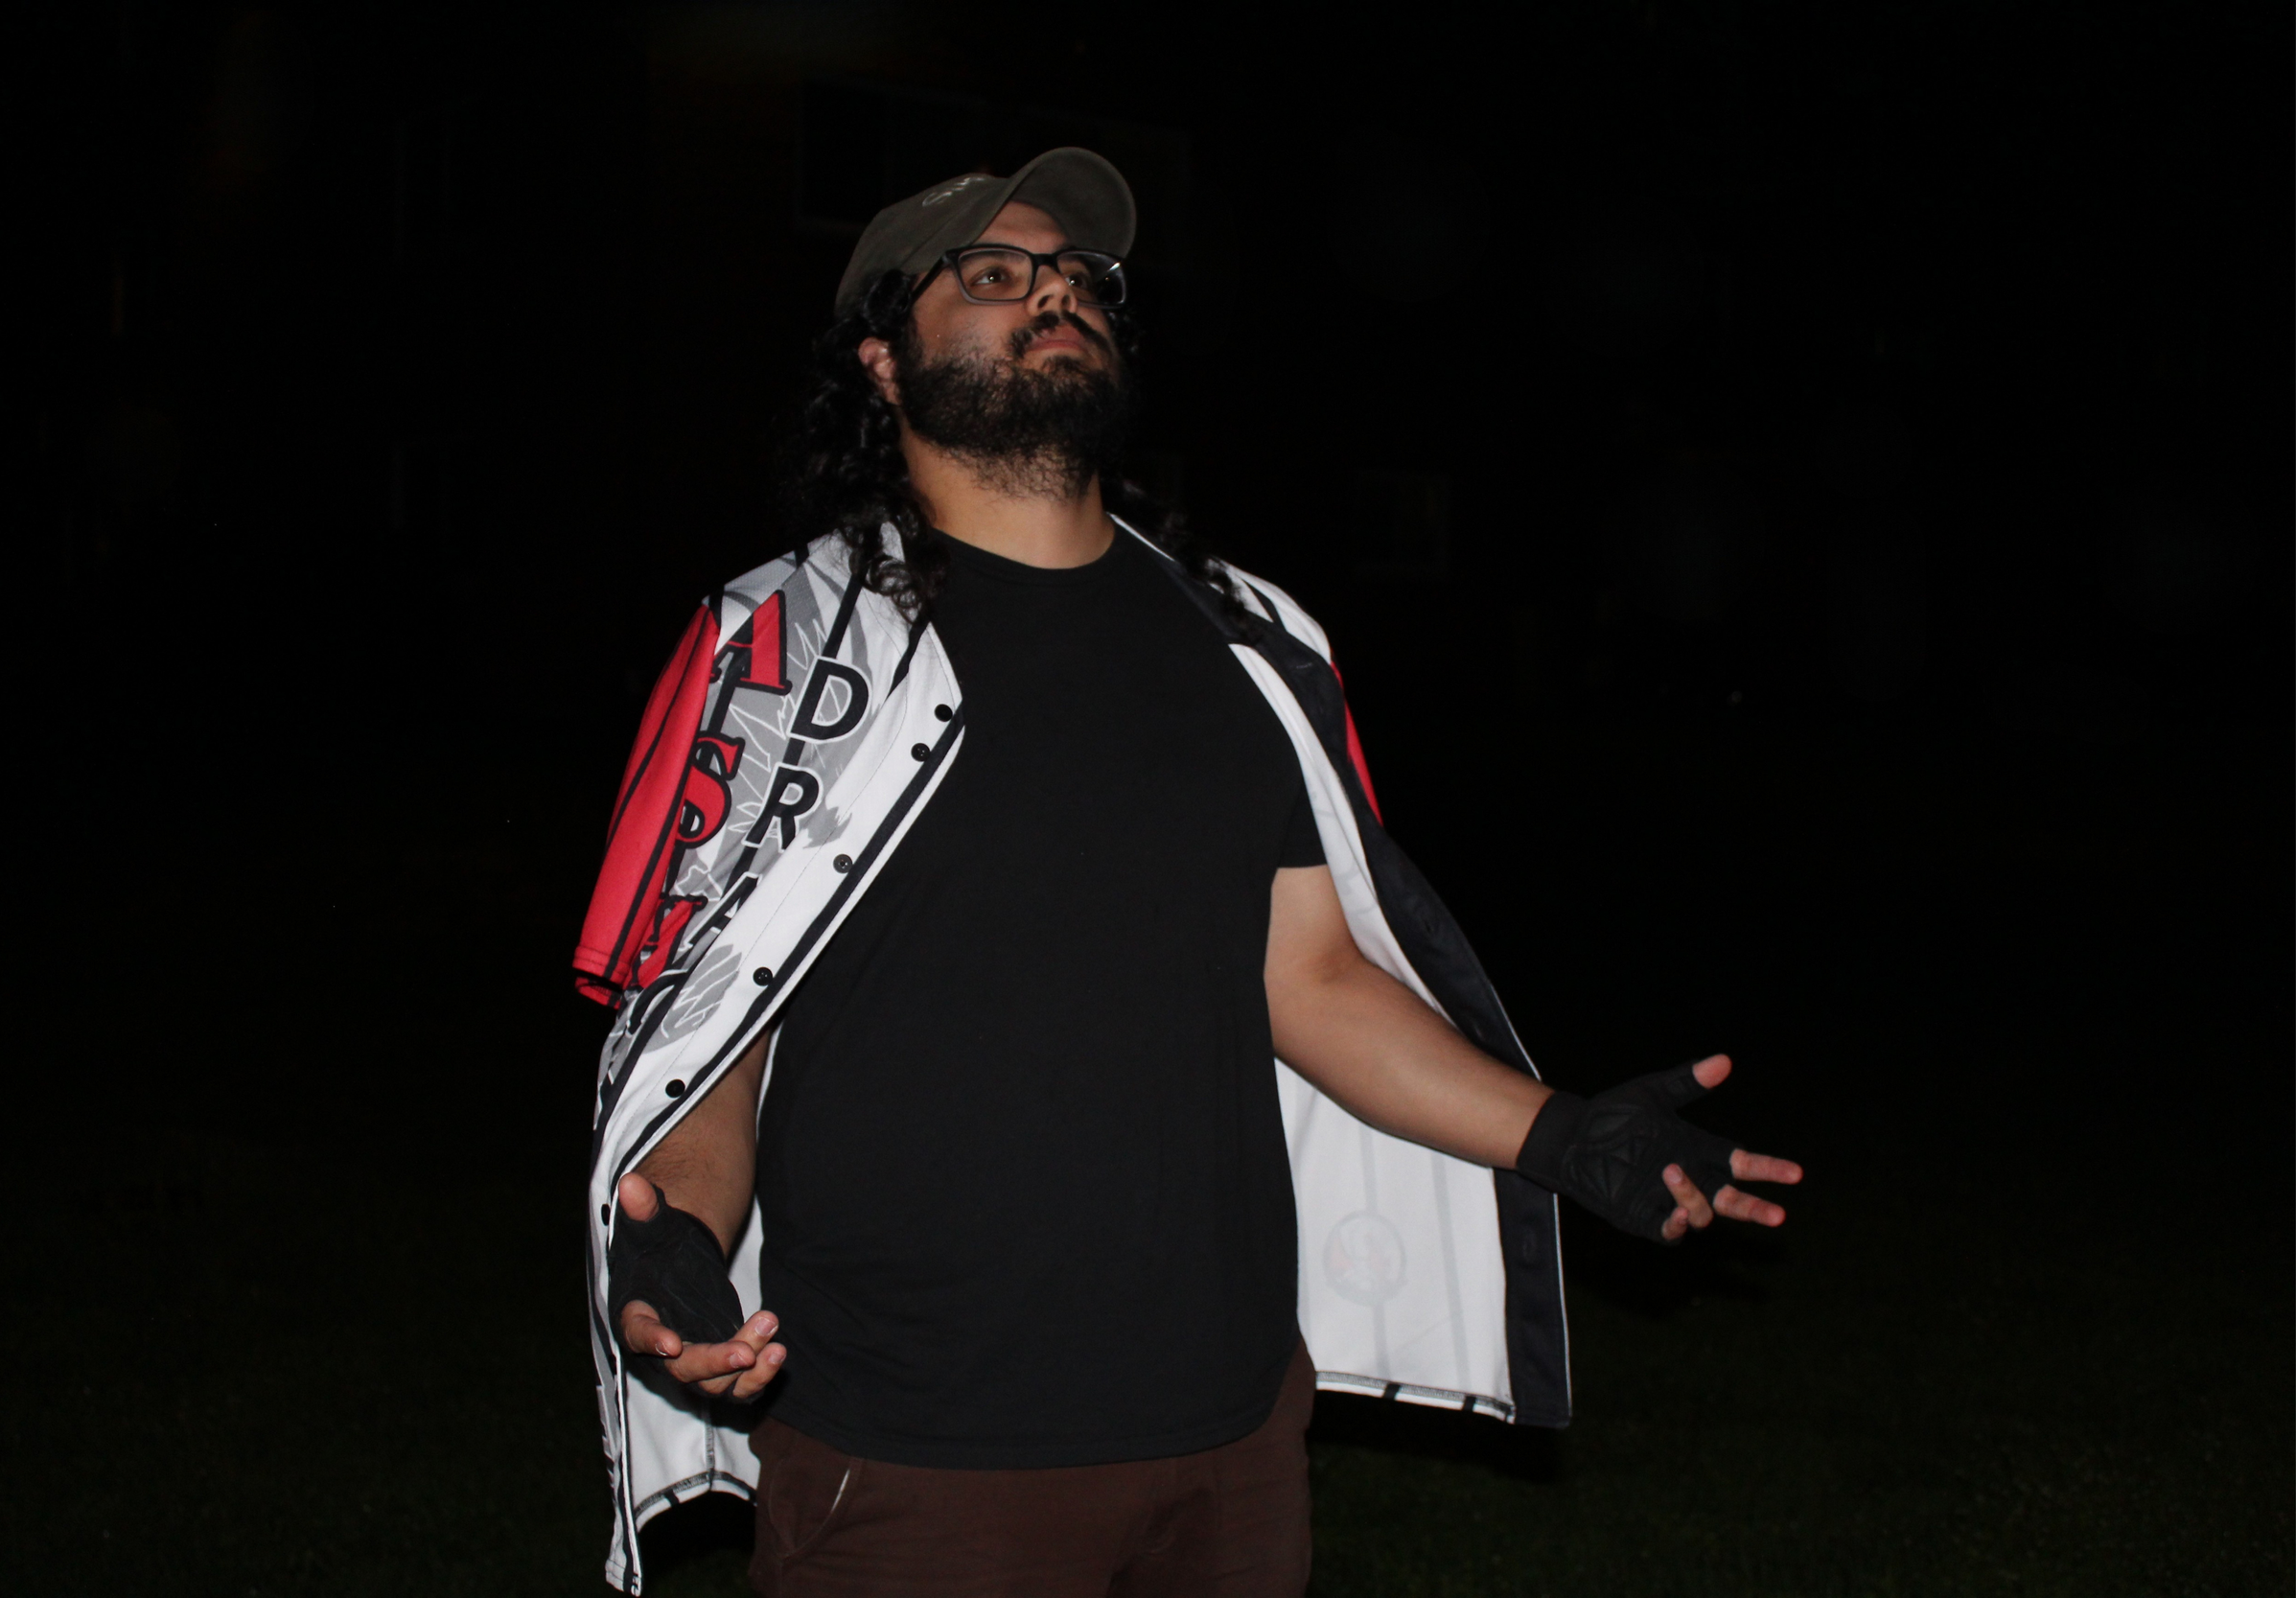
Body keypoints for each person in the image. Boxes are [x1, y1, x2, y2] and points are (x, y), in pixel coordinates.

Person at [571, 148, 1801, 1597]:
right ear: (884, 363)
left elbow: (1317, 975)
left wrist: (1564, 1133)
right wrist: (676, 1239)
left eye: (1079, 278)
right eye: (993, 273)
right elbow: (718, 1020)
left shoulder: (1248, 645)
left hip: (1229, 1450)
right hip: (918, 1463)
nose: (1053, 294)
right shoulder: (780, 651)